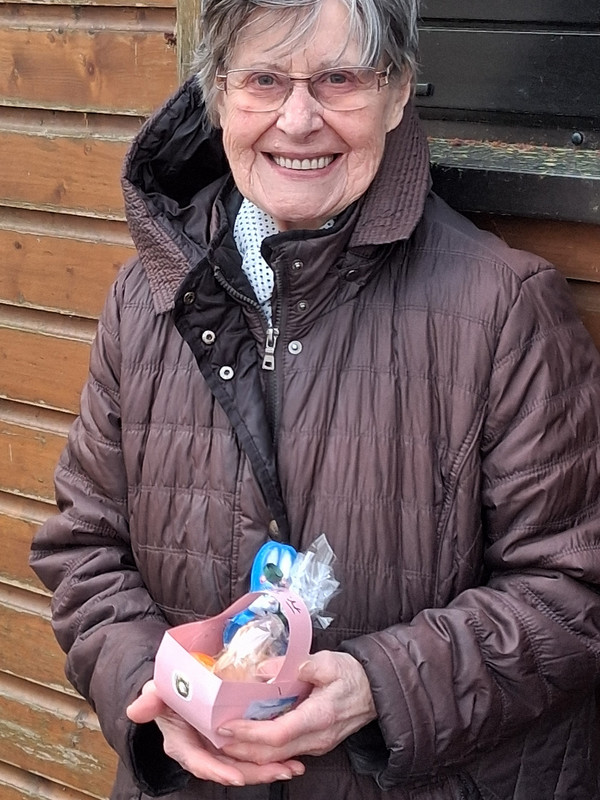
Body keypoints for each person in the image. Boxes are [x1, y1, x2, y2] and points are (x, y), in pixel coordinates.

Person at [29, 0, 600, 797]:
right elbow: (83, 550)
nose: (298, 120)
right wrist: (155, 699)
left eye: (339, 78)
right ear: (217, 93)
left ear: (399, 91)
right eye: (263, 79)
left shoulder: (503, 308)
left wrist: (383, 686)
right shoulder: (145, 300)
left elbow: (572, 592)